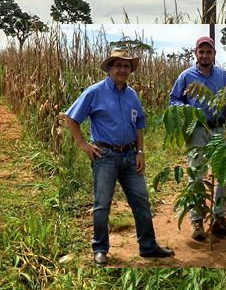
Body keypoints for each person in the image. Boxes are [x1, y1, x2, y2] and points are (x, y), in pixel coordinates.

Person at [64, 49, 175, 266]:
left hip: (130, 155)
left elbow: (140, 124)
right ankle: (100, 249)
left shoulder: (132, 95)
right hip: (105, 156)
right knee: (102, 204)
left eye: (127, 66)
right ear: (110, 68)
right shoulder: (94, 92)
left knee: (141, 200)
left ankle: (148, 246)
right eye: (118, 65)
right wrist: (83, 144)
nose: (123, 70)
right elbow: (71, 117)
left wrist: (140, 152)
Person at [169, 36, 226, 241]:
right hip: (198, 130)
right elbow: (174, 99)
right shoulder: (186, 76)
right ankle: (197, 220)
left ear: (214, 54)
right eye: (201, 52)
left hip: (219, 130)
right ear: (195, 53)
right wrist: (189, 110)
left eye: (208, 52)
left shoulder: (223, 76)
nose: (204, 55)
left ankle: (219, 218)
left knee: (224, 173)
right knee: (197, 174)